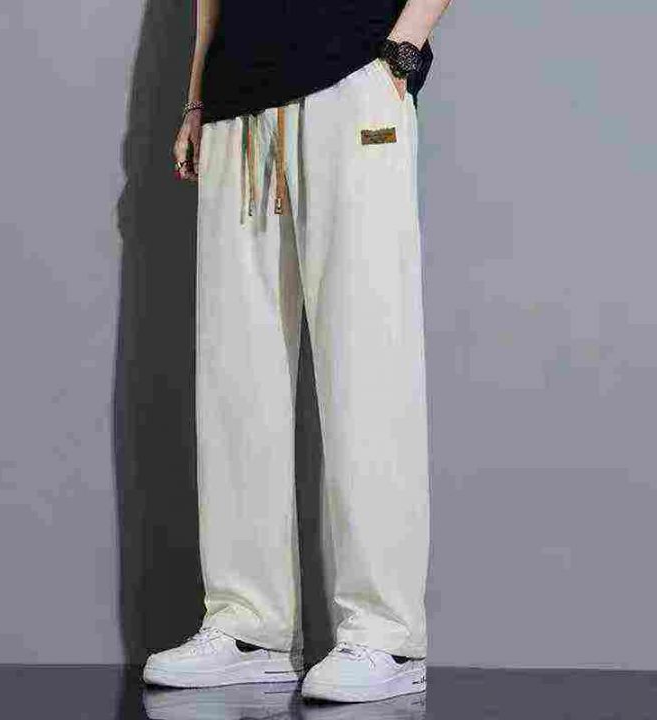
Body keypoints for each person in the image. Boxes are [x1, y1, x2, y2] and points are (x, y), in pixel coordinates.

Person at [143, 0, 451, 704]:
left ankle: (386, 634)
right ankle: (248, 626)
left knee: (368, 361)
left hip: (354, 79)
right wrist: (197, 97)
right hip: (237, 103)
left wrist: (402, 51)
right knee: (235, 373)